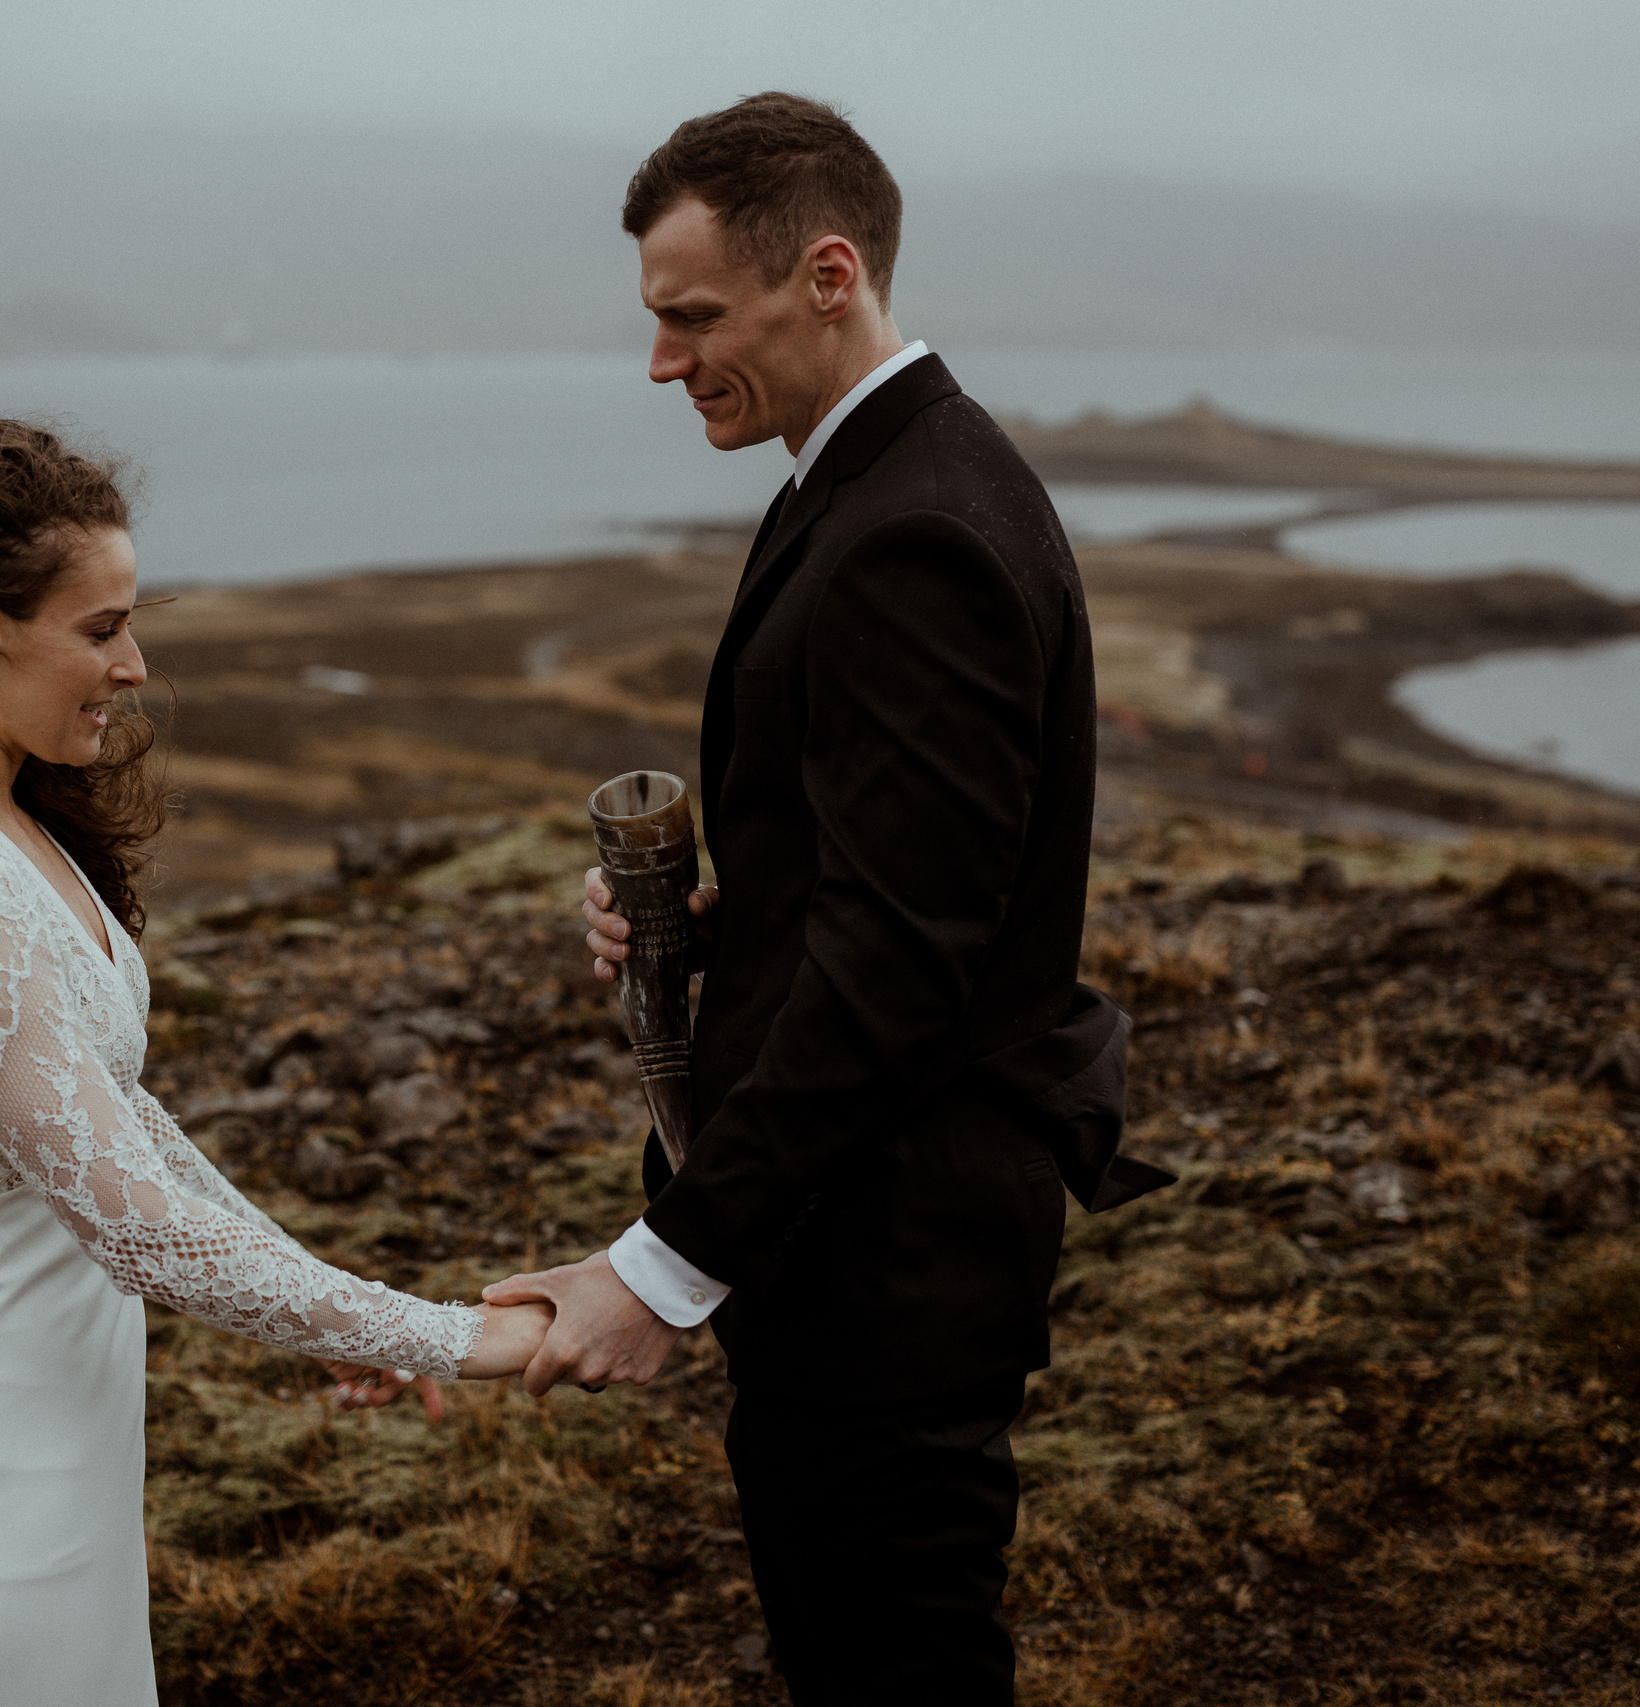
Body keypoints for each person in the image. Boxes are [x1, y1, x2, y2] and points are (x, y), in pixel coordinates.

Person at [483, 94, 1169, 1704]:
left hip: (893, 1242)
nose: (664, 365)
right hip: (862, 1229)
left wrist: (664, 1267)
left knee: (898, 1664)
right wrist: (730, 921)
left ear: (829, 274)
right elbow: (906, 884)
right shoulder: (870, 481)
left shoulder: (913, 528)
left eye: (692, 318)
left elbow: (901, 962)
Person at [0, 415, 553, 1705]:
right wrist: (446, 1338)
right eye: (101, 630)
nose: (136, 665)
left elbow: (124, 1127)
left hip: (44, 1443)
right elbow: (132, 1227)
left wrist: (311, 1299)